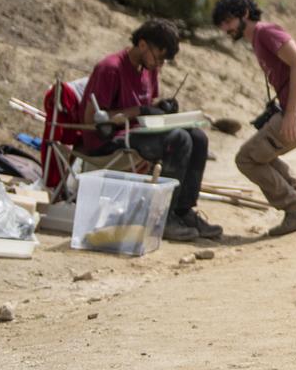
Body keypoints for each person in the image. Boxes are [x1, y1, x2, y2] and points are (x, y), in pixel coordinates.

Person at [81, 19, 221, 242]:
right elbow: (92, 119)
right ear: (143, 45)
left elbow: (148, 102)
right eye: (159, 57)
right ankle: (161, 217)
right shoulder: (110, 68)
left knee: (198, 137)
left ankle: (183, 211)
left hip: (138, 132)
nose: (160, 64)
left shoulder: (148, 68)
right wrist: (138, 110)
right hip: (108, 139)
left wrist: (160, 107)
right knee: (179, 140)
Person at [214, 0, 296, 237]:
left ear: (244, 14)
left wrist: (292, 113)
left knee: (246, 159)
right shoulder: (263, 36)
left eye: (228, 21)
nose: (225, 29)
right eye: (222, 24)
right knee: (261, 153)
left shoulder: (266, 32)